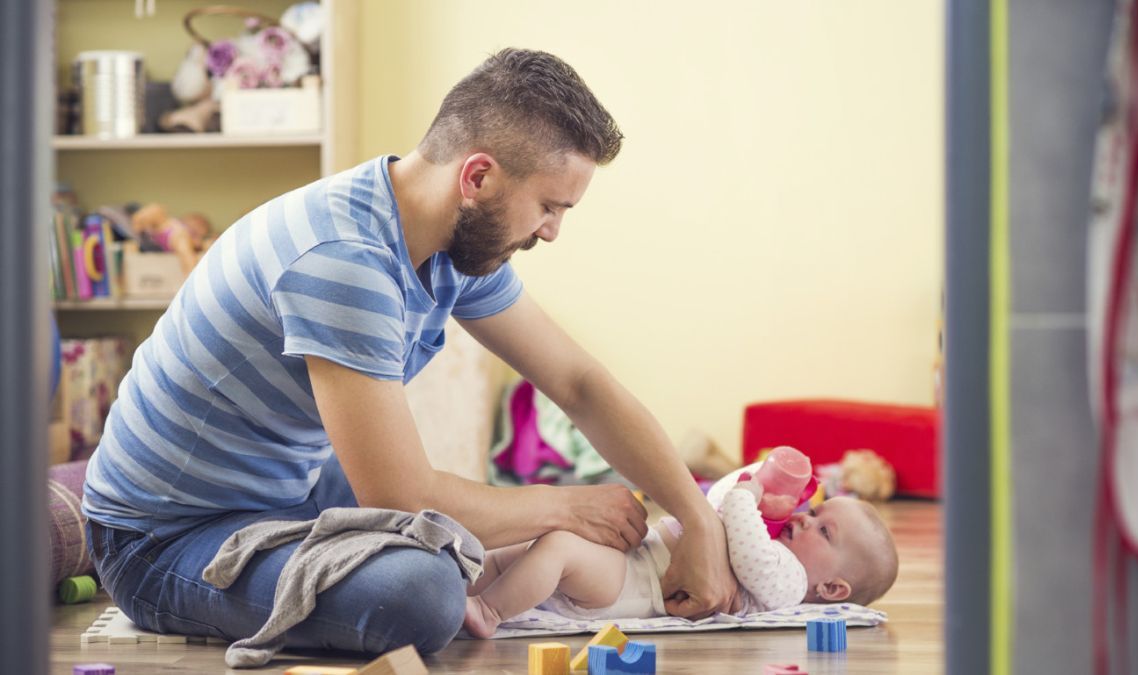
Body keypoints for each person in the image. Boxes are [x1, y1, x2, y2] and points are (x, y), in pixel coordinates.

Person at [81, 48, 740, 656]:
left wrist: (696, 517)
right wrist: (566, 504)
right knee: (423, 590)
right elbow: (400, 491)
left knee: (462, 533)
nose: (552, 231)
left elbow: (579, 382)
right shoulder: (344, 260)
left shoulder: (451, 245)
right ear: (478, 175)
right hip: (161, 541)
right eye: (548, 206)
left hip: (285, 490)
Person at [462, 478, 900, 638]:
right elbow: (717, 500)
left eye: (824, 531)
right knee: (528, 550)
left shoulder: (785, 581)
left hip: (635, 586)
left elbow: (746, 548)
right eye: (814, 512)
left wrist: (749, 496)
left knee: (558, 548)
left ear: (832, 589)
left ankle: (488, 609)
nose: (805, 519)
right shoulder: (778, 549)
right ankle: (465, 586)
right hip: (635, 561)